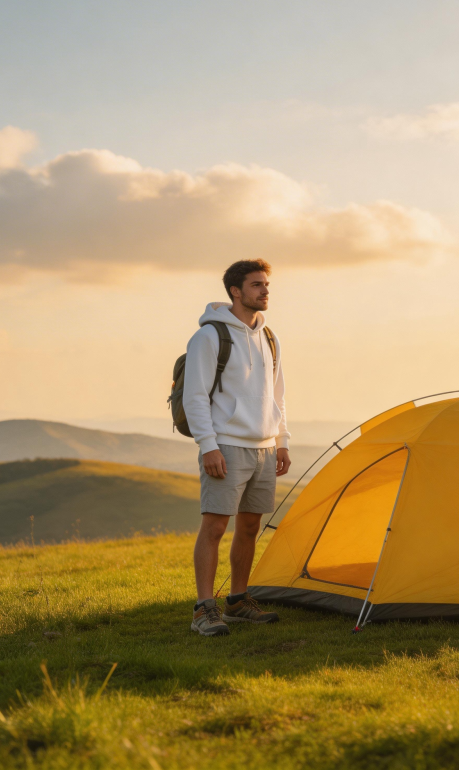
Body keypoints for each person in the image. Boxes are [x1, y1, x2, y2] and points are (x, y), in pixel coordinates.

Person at [183, 258, 290, 636]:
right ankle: (203, 609)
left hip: (264, 447)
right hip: (225, 445)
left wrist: (281, 441)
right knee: (214, 526)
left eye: (266, 285)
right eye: (256, 285)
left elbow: (277, 395)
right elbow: (195, 396)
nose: (265, 291)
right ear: (235, 291)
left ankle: (238, 601)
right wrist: (208, 445)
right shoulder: (209, 336)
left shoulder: (269, 337)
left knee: (249, 527)